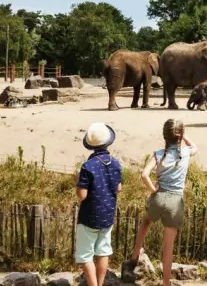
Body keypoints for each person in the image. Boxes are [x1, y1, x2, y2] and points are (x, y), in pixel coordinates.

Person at [129, 120, 197, 286]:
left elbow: (144, 175)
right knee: (168, 247)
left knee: (146, 221)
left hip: (159, 197)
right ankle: (166, 282)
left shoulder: (158, 154)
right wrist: (185, 138)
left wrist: (153, 190)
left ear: (164, 136)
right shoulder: (186, 152)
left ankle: (136, 250)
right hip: (176, 201)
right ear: (180, 136)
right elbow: (196, 148)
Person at [75, 123, 123, 286]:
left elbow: (82, 195)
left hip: (89, 217)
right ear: (109, 142)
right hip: (107, 215)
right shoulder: (116, 164)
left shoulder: (87, 166)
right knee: (103, 251)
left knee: (85, 255)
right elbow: (118, 187)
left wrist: (77, 182)